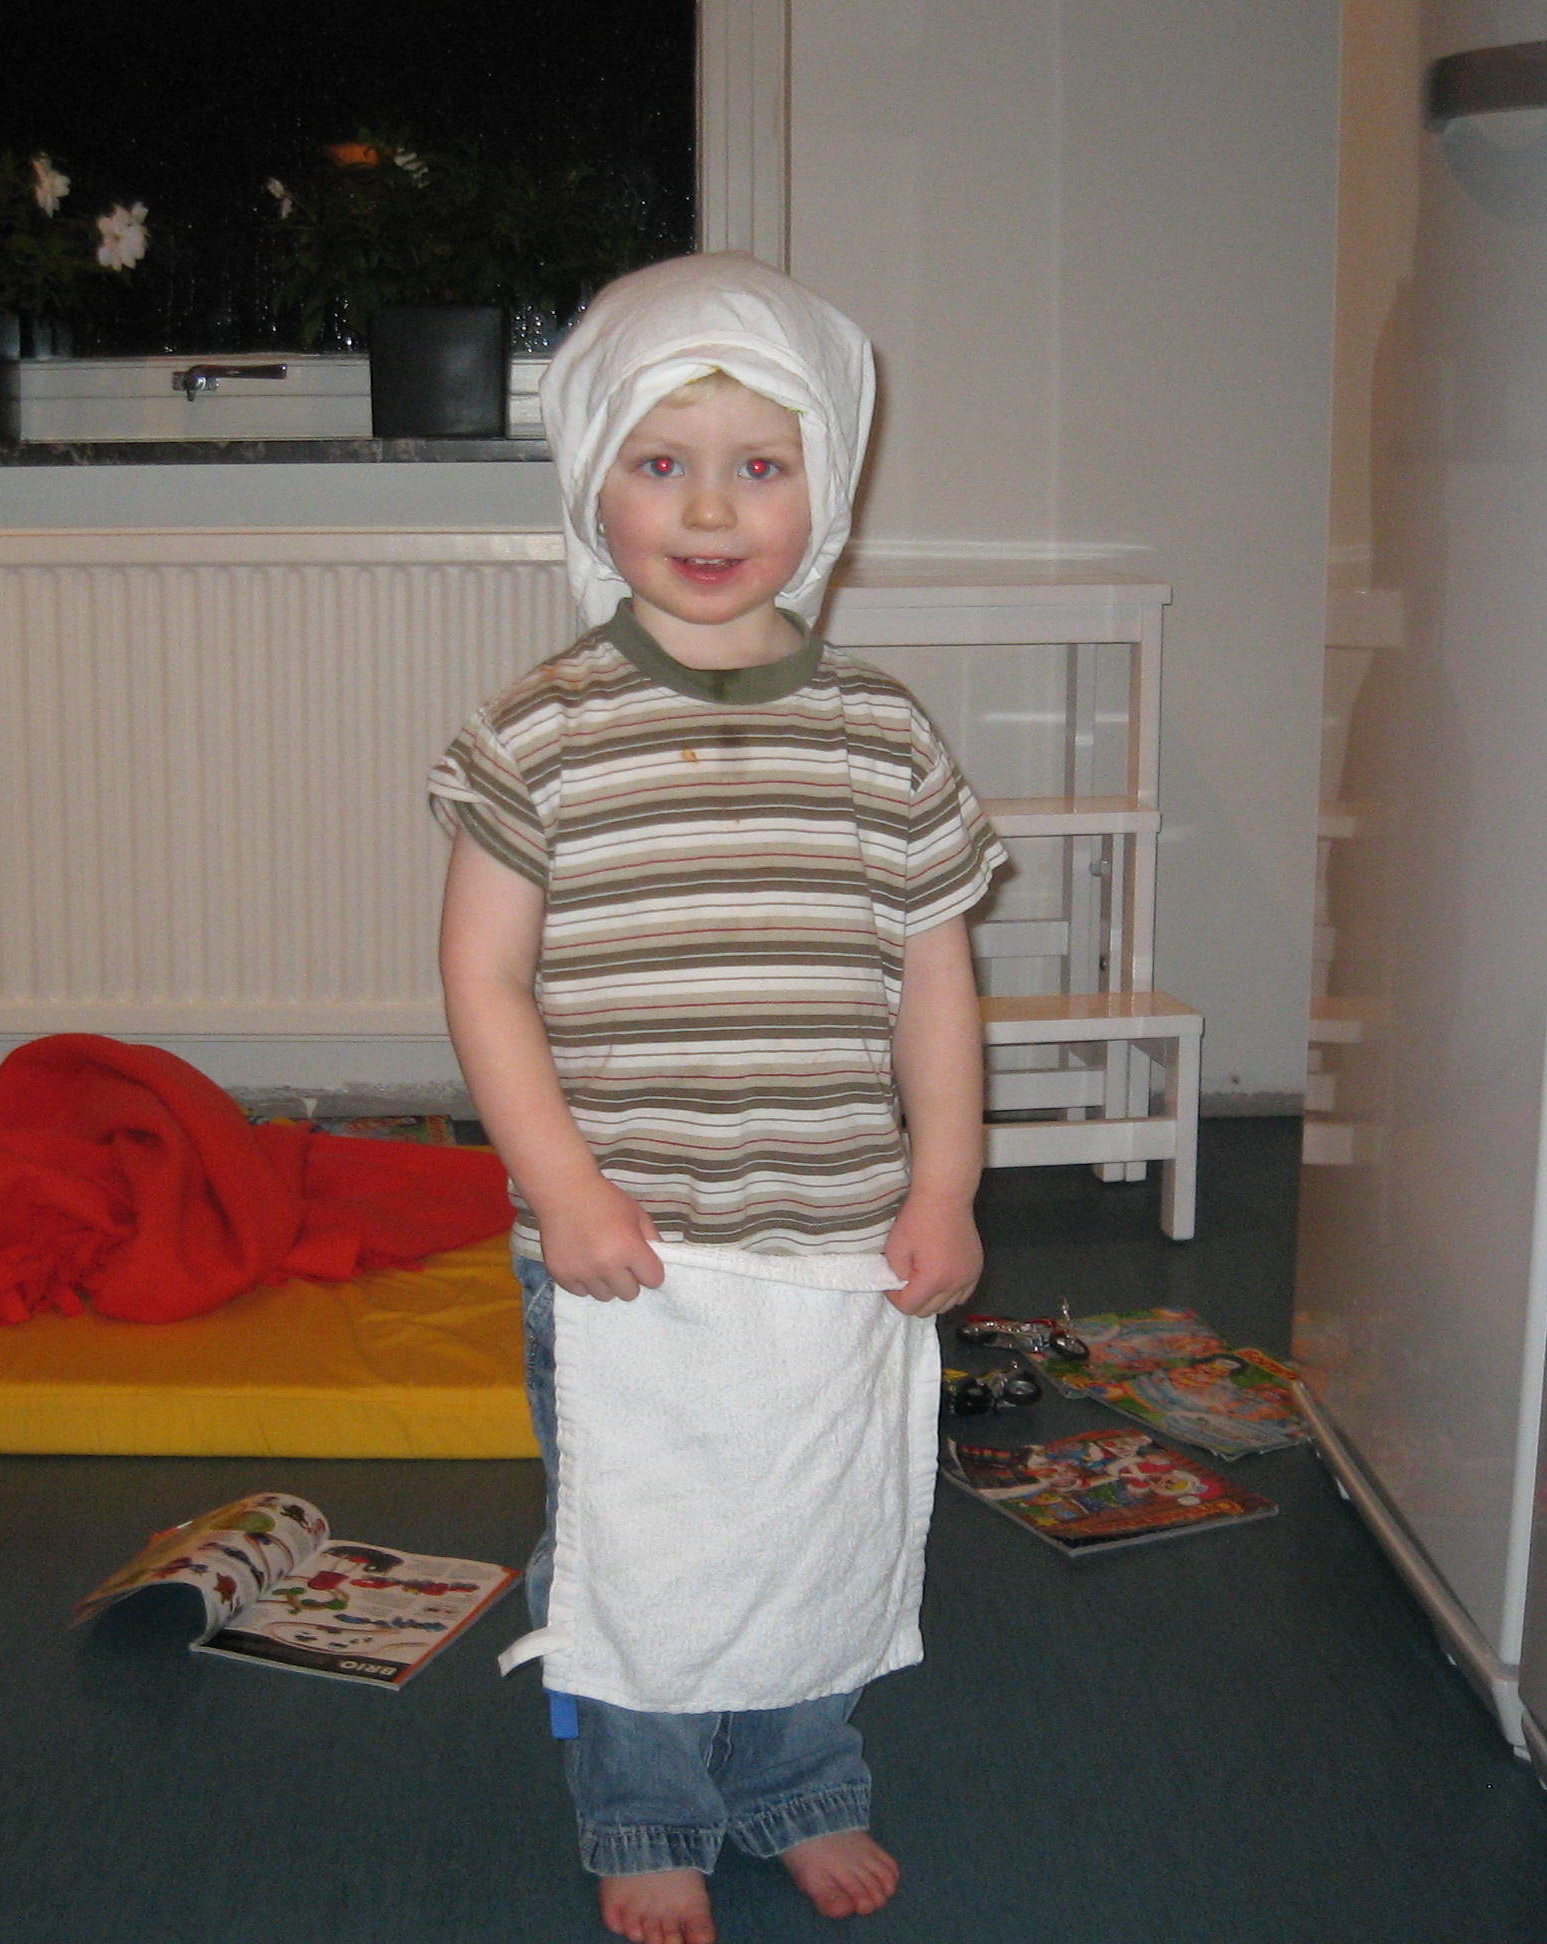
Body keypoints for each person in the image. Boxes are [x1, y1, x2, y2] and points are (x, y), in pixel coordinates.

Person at [429, 254, 1004, 1944]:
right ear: (588, 479)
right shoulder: (540, 731)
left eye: (759, 464)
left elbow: (938, 978)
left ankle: (800, 1782)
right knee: (648, 1538)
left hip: (833, 1229)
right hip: (630, 1237)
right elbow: (482, 978)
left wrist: (947, 1186)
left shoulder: (882, 734)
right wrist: (564, 1188)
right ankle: (649, 1806)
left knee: (817, 1519)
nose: (707, 508)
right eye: (659, 461)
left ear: (827, 490)